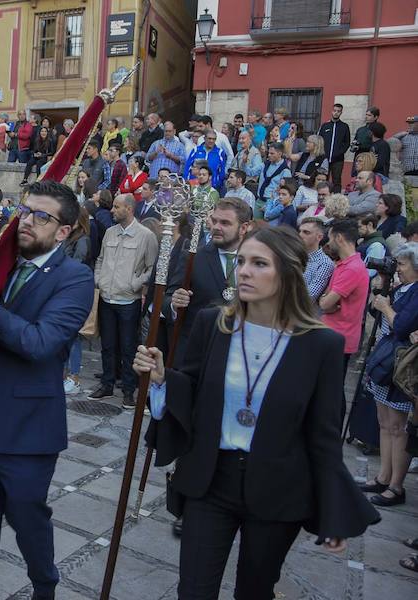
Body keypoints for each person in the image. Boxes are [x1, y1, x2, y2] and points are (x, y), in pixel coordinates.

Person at [135, 226, 379, 600]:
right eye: (242, 262)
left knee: (255, 590)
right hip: (211, 479)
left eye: (259, 263)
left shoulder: (320, 345)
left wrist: (333, 509)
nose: (244, 271)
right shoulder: (214, 325)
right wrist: (162, 378)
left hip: (279, 490)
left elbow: (323, 434)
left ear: (288, 273)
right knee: (193, 591)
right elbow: (192, 388)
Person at [0, 180, 94, 600]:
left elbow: (40, 343)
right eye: (25, 211)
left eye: (41, 217)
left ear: (62, 231)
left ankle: (44, 582)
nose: (27, 221)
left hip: (27, 433)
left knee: (29, 523)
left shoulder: (76, 279)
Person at [360, 242, 418, 507]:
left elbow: (403, 326)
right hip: (385, 358)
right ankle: (383, 476)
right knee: (384, 422)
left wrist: (385, 307)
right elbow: (376, 310)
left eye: (403, 265)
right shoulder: (400, 287)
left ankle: (396, 486)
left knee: (397, 426)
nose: (398, 269)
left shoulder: (416, 291)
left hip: (401, 364)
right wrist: (381, 288)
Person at [88, 194, 158, 405]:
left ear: (129, 209)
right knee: (107, 345)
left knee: (128, 347)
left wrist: (135, 284)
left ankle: (128, 390)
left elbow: (151, 267)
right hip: (107, 297)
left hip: (128, 300)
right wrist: (98, 279)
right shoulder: (110, 232)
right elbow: (100, 259)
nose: (112, 210)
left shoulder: (145, 235)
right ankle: (107, 383)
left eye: (117, 207)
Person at [167, 197, 253, 366]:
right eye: (214, 221)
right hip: (198, 354)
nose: (216, 227)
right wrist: (174, 303)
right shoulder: (193, 258)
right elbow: (167, 298)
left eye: (225, 223)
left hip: (240, 354)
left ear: (243, 228)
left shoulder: (256, 262)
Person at [320, 220, 370, 369]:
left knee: (331, 388)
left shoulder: (352, 269)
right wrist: (326, 301)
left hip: (339, 337)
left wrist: (326, 301)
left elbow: (324, 303)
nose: (328, 243)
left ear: (339, 238)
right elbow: (326, 300)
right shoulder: (345, 264)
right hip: (334, 334)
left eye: (330, 238)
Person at [63, 206, 92, 395]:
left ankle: (74, 376)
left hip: (72, 290)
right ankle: (65, 373)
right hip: (64, 288)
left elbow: (77, 263)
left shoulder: (82, 239)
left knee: (74, 336)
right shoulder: (69, 237)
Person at [298, 217, 334, 302]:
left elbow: (309, 297)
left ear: (319, 237)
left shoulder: (324, 263)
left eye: (306, 232)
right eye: (300, 231)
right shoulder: (294, 254)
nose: (300, 235)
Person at [319, 103, 351, 192]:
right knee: (323, 179)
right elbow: (319, 140)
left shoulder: (344, 127)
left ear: (341, 113)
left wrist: (339, 153)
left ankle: (336, 200)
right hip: (324, 158)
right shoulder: (325, 126)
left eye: (338, 111)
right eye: (335, 111)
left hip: (338, 160)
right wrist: (322, 154)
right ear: (332, 111)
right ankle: (322, 196)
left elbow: (347, 142)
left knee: (336, 180)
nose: (336, 113)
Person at [255, 143, 291, 220]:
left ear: (279, 154)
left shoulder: (285, 170)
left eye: (272, 153)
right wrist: (245, 162)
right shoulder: (265, 164)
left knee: (267, 229)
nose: (269, 155)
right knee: (255, 226)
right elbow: (251, 172)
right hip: (259, 199)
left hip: (272, 202)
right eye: (268, 153)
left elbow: (285, 189)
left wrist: (271, 204)